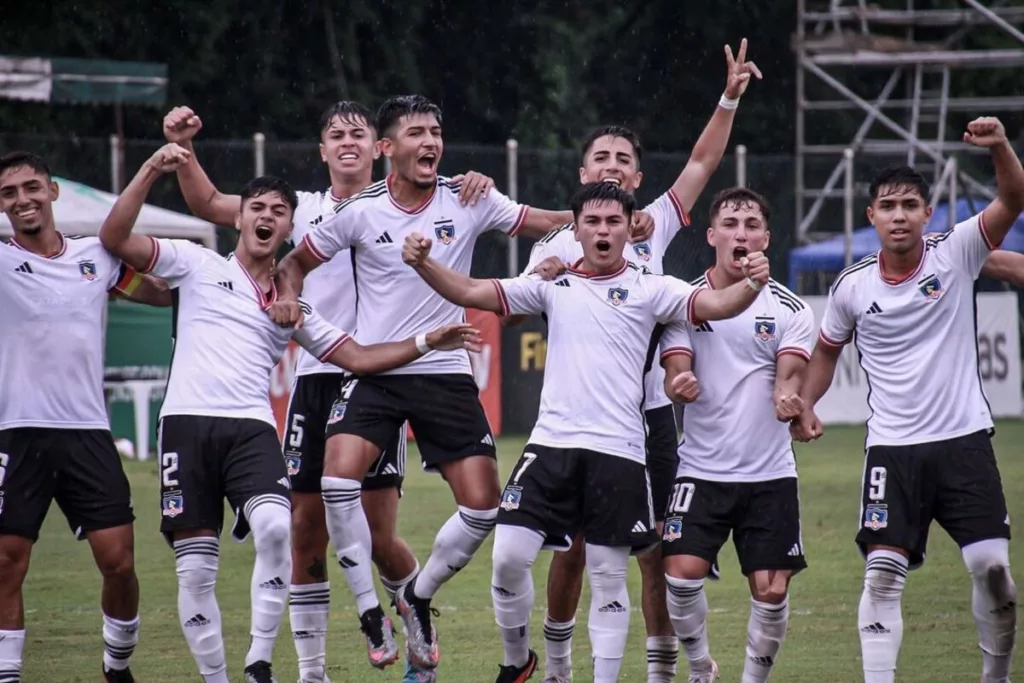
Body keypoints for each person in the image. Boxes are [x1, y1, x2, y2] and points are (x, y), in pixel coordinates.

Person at [97, 143, 480, 683]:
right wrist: (150, 170)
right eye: (257, 208)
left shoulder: (295, 306)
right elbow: (115, 240)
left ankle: (262, 662)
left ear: (290, 228)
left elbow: (360, 356)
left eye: (278, 212)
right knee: (204, 566)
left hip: (256, 429)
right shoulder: (195, 263)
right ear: (241, 218)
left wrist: (427, 339)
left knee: (286, 528)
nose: (267, 217)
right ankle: (238, 675)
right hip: (185, 427)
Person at [269, 94, 591, 673]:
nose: (431, 142)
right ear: (388, 147)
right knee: (335, 480)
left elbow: (538, 221)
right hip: (381, 370)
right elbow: (293, 263)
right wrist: (289, 293)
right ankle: (371, 612)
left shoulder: (467, 197)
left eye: (437, 131)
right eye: (417, 132)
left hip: (445, 371)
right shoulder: (360, 211)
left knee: (484, 507)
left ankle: (415, 598)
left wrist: (595, 212)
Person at [401, 181, 770, 683]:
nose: (602, 230)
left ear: (628, 229)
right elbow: (470, 291)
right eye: (592, 222)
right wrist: (422, 263)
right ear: (574, 231)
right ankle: (518, 661)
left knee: (607, 574)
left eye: (613, 221)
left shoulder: (651, 288)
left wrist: (751, 284)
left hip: (618, 451)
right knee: (508, 556)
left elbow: (716, 306)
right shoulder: (553, 283)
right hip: (549, 446)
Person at [517, 38, 761, 683]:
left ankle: (658, 671)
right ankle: (560, 667)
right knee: (569, 550)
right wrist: (550, 265)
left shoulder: (653, 220)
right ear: (581, 173)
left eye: (624, 159)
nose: (613, 165)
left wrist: (728, 97)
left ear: (638, 179)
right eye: (601, 156)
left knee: (652, 548)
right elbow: (519, 300)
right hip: (578, 420)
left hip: (648, 418)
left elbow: (705, 162)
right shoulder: (558, 243)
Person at [793, 116, 1024, 683]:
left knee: (993, 571)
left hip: (964, 443)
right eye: (888, 205)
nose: (899, 215)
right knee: (881, 576)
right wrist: (805, 402)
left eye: (910, 205)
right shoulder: (852, 286)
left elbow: (1013, 197)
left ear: (927, 212)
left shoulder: (959, 252)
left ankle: (994, 676)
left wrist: (998, 147)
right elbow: (826, 352)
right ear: (870, 216)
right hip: (891, 452)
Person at [0, 151, 172, 683]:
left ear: (53, 192)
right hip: (17, 431)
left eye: (31, 187)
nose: (22, 199)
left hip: (87, 433)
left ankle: (116, 666)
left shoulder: (98, 257)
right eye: (8, 193)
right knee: (7, 561)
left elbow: (161, 293)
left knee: (119, 561)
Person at [657, 187, 813, 683]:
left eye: (750, 225)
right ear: (711, 236)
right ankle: (702, 668)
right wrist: (679, 383)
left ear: (766, 238)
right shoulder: (686, 302)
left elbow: (789, 377)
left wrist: (789, 399)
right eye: (730, 224)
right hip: (701, 468)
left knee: (770, 590)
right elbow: (675, 369)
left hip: (769, 474)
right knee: (679, 576)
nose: (740, 233)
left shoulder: (793, 310)